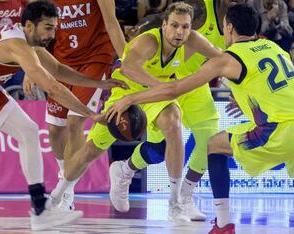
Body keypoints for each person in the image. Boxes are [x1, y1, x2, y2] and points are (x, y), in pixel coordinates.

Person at [106, 4, 294, 234]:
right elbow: (289, 84)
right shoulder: (273, 46)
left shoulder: (226, 59)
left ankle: (222, 225)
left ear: (229, 27)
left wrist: (130, 98)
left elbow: (173, 89)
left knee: (214, 145)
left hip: (283, 127)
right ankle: (172, 192)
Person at [0, 1, 125, 231]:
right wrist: (90, 114)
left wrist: (98, 83)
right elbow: (53, 86)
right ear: (28, 25)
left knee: (28, 131)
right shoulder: (16, 45)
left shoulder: (31, 42)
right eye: (47, 27)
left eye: (54, 27)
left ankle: (40, 209)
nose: (52, 34)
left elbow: (56, 70)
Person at [49, 2, 221, 223]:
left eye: (185, 27)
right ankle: (58, 195)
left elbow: (222, 58)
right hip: (126, 92)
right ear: (165, 24)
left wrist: (240, 84)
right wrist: (159, 85)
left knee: (173, 122)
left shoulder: (192, 39)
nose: (180, 32)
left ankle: (175, 204)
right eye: (175, 26)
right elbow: (128, 68)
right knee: (89, 151)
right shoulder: (149, 41)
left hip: (154, 96)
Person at [109, 0, 246, 221]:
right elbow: (163, 21)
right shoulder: (199, 8)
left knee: (210, 140)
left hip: (195, 84)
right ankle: (125, 169)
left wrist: (241, 93)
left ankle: (184, 199)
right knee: (158, 150)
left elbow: (224, 60)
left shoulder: (239, 20)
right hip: (163, 83)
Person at [22, 0, 126, 211]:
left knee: (75, 121)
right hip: (62, 61)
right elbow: (34, 30)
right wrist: (29, 67)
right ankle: (65, 175)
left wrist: (128, 60)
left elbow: (112, 23)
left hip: (95, 59)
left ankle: (66, 191)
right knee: (55, 128)